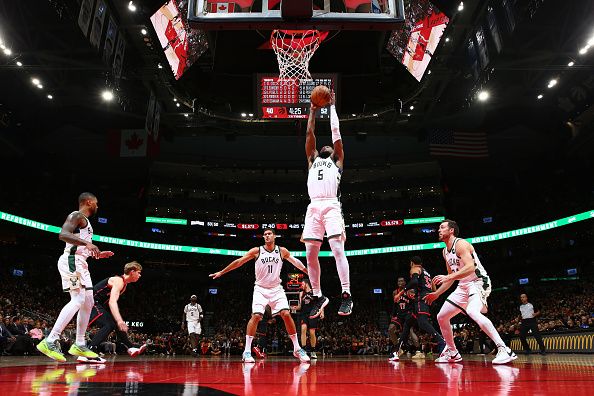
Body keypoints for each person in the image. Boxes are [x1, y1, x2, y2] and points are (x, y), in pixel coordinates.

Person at [209, 228, 310, 363]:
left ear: (274, 236)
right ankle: (246, 351)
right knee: (256, 316)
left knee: (286, 314)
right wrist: (222, 272)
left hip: (276, 289)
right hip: (260, 289)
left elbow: (295, 261)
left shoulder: (282, 251)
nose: (267, 236)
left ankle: (297, 349)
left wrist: (305, 270)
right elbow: (239, 261)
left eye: (269, 234)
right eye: (265, 235)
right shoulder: (257, 251)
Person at [425, 220, 517, 364]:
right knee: (442, 316)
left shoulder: (461, 244)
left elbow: (470, 267)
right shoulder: (445, 252)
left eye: (442, 227)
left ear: (451, 231)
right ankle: (453, 352)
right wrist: (437, 294)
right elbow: (451, 278)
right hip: (463, 285)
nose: (439, 230)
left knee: (473, 312)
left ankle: (504, 349)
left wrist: (448, 276)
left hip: (478, 281)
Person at [37, 192, 114, 362]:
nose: (97, 206)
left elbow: (79, 246)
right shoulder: (76, 215)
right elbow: (63, 234)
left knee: (89, 301)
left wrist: (97, 254)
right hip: (71, 261)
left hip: (80, 262)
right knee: (78, 299)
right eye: (96, 203)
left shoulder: (85, 222)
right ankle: (50, 340)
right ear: (88, 202)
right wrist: (87, 243)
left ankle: (80, 343)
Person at [303, 92, 353, 318]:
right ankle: (318, 295)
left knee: (336, 249)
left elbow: (336, 134)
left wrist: (331, 106)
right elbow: (310, 132)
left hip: (332, 205)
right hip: (313, 207)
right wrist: (313, 111)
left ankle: (346, 294)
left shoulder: (337, 160)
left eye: (330, 147)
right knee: (310, 254)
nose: (326, 147)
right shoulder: (312, 159)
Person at [85, 261, 146, 362]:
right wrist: (119, 320)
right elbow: (112, 302)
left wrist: (117, 321)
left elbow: (109, 303)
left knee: (114, 323)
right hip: (91, 301)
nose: (140, 275)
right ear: (132, 272)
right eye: (138, 272)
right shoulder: (118, 281)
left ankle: (130, 346)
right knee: (109, 325)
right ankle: (90, 351)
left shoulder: (123, 285)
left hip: (96, 303)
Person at [392, 257, 445, 361]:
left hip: (421, 299)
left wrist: (400, 293)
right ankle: (397, 350)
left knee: (422, 323)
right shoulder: (428, 274)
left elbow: (414, 282)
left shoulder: (415, 268)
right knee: (408, 323)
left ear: (412, 263)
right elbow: (434, 289)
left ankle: (442, 342)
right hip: (426, 299)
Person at [388, 277, 419, 361]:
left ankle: (419, 351)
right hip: (399, 315)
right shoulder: (395, 292)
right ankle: (398, 348)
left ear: (405, 282)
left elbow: (415, 302)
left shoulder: (410, 291)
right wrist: (393, 315)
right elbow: (395, 305)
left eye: (402, 281)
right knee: (390, 329)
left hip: (408, 314)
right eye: (398, 281)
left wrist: (414, 314)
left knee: (410, 331)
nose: (400, 282)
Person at [298, 279, 324, 359]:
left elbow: (321, 302)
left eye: (302, 283)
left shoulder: (315, 292)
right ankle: (304, 350)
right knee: (303, 329)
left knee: (312, 333)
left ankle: (313, 351)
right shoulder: (301, 293)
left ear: (306, 283)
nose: (301, 285)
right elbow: (299, 306)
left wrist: (322, 312)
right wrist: (294, 307)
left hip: (313, 314)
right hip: (304, 314)